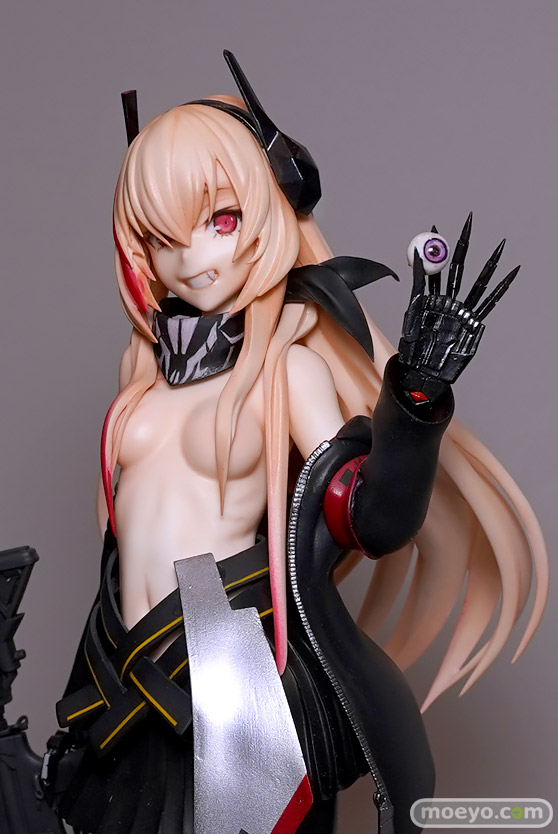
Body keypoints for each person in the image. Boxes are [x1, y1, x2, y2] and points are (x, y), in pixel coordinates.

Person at [53, 53, 548, 834]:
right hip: (123, 664)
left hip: (228, 660)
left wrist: (413, 403)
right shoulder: (139, 371)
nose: (193, 258)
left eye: (219, 221)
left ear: (270, 208)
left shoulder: (288, 367)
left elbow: (367, 518)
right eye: (161, 237)